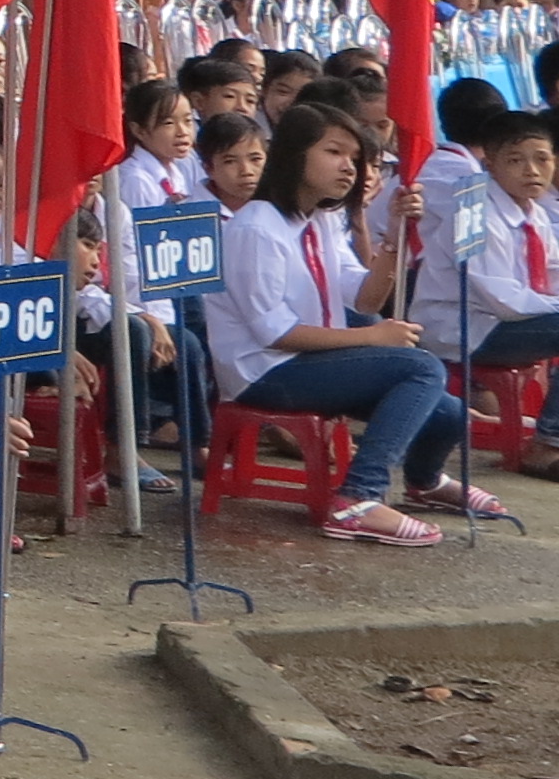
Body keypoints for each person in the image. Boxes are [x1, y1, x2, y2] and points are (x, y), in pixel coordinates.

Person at [203, 99, 476, 542]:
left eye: (354, 156)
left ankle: (425, 482)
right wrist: (372, 337)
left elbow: (366, 296)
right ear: (295, 155)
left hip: (309, 362)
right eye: (334, 152)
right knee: (422, 368)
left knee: (449, 413)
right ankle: (358, 499)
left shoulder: (322, 220)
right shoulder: (256, 227)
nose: (349, 167)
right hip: (266, 371)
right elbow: (274, 332)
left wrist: (394, 236)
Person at [419, 104, 559, 477]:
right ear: (490, 164)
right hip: (463, 327)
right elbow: (502, 299)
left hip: (506, 322)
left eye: (542, 159)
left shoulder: (534, 212)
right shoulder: (471, 208)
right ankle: (547, 444)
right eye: (515, 160)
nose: (532, 170)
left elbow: (553, 274)